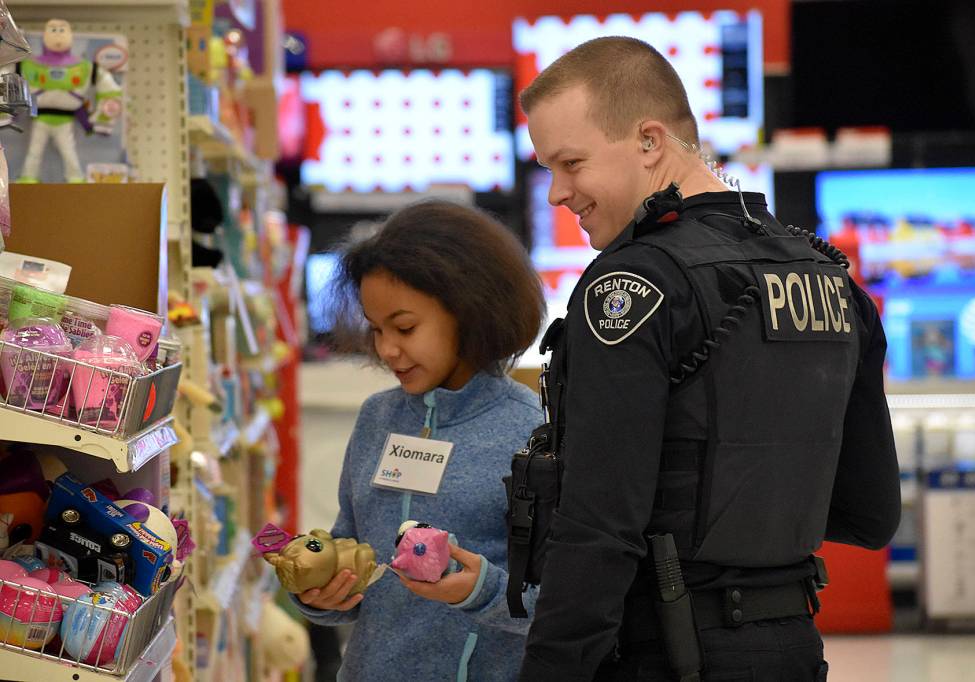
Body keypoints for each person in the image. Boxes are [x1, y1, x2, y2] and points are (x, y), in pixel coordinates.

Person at [514, 36, 901, 681]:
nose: (557, 192)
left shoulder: (629, 286)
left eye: (571, 163)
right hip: (794, 648)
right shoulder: (830, 276)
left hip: (666, 651)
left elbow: (601, 529)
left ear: (649, 140)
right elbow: (871, 514)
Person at [292, 201, 545, 680]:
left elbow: (565, 606)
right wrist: (322, 591)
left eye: (405, 327)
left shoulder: (530, 433)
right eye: (376, 329)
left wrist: (483, 592)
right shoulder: (377, 417)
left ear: (469, 311)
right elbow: (353, 551)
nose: (387, 349)